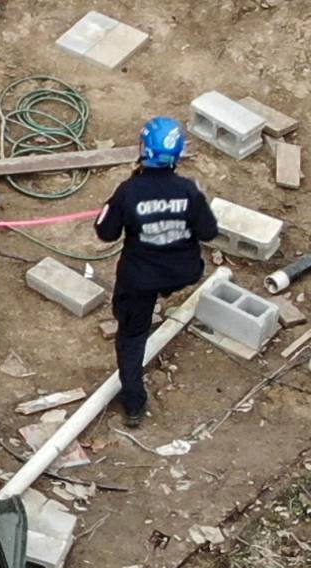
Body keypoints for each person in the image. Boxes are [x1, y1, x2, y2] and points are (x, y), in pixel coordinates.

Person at [95, 116, 219, 428]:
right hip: (183, 272)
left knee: (132, 337)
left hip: (139, 280)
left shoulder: (128, 192)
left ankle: (134, 404)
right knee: (153, 291)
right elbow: (209, 231)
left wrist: (111, 207)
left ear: (144, 150)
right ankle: (163, 297)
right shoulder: (188, 191)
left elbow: (105, 233)